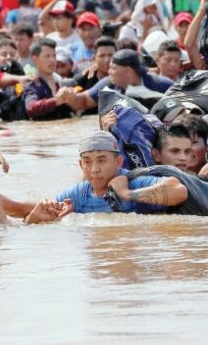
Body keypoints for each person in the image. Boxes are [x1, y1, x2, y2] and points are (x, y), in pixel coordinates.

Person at [22, 131, 188, 223]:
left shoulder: (132, 182)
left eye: (102, 160)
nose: (94, 169)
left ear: (118, 162)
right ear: (81, 165)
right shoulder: (79, 194)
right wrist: (35, 218)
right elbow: (34, 225)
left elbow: (179, 190)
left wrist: (126, 194)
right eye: (87, 162)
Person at [60, 49, 173, 112]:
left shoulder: (160, 85)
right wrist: (71, 97)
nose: (109, 72)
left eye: (113, 68)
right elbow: (84, 101)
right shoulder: (108, 85)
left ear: (128, 70)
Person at [23, 39, 75, 120]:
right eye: (47, 56)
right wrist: (56, 101)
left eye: (54, 56)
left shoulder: (60, 81)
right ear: (35, 59)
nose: (52, 60)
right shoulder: (32, 83)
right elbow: (30, 108)